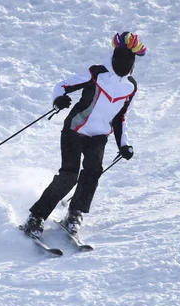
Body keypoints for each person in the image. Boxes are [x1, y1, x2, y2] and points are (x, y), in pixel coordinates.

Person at [22, 31, 147, 239]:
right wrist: (58, 100)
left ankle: (74, 214)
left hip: (98, 137)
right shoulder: (96, 73)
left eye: (129, 57)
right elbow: (62, 86)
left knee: (92, 174)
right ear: (114, 54)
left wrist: (123, 144)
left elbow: (121, 117)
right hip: (75, 130)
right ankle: (36, 217)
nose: (124, 61)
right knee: (69, 176)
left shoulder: (130, 87)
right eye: (120, 55)